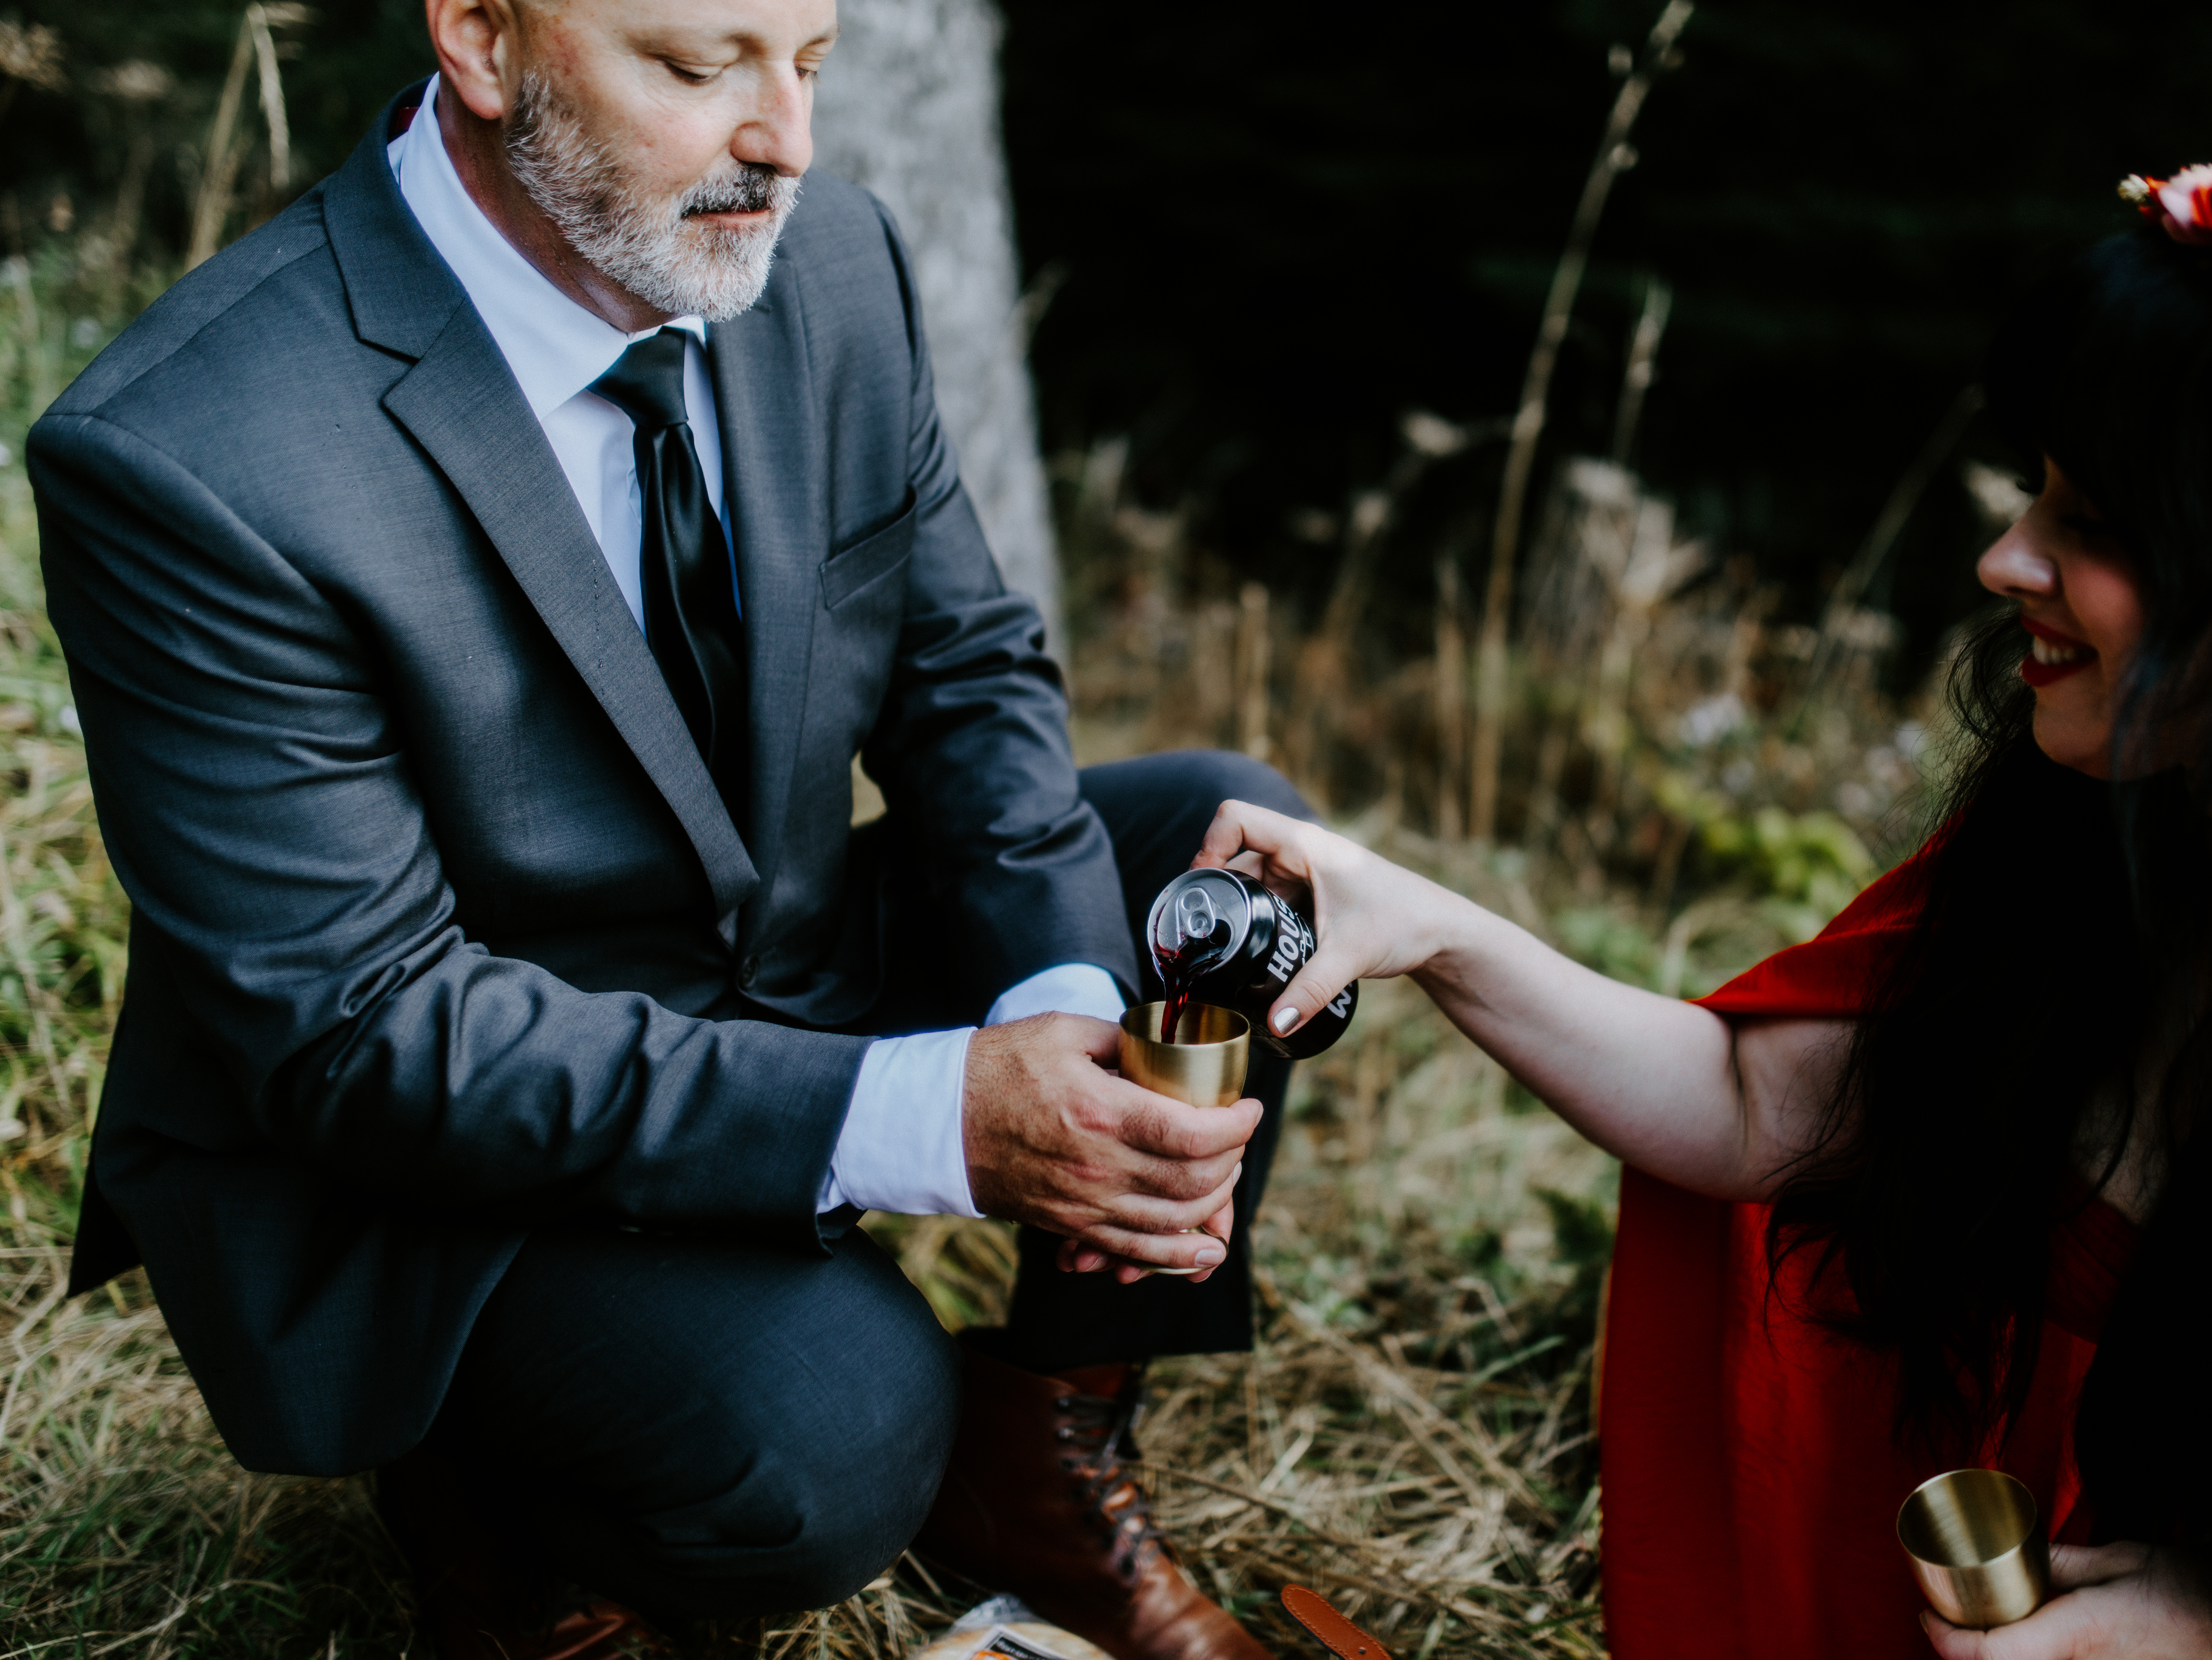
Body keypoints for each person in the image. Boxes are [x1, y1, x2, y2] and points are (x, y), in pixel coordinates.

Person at [30, 3, 1297, 1656]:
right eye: (703, 70)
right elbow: (363, 1031)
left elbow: (967, 671)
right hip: (429, 1146)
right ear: (485, 40)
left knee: (1234, 853)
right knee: (834, 1436)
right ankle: (511, 1536)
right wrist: (936, 1114)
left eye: (812, 62)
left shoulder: (830, 260)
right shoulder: (198, 453)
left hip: (765, 949)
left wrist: (1056, 1020)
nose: (790, 142)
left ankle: (1037, 1457)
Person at [1185, 145, 2212, 1659]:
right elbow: (1755, 1104)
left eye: (2100, 526)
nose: (2009, 559)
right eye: (2031, 494)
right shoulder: (2086, 848)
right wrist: (1434, 929)